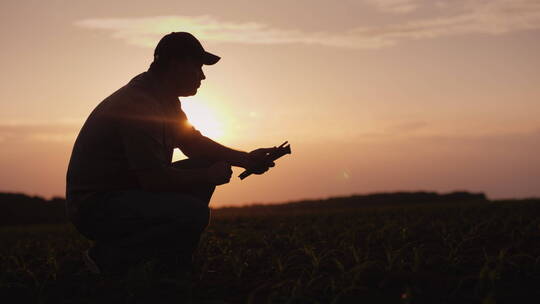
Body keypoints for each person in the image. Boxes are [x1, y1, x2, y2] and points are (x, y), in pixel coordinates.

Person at [65, 32, 275, 275]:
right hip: (96, 208)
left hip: (125, 194)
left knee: (203, 166)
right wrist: (208, 175)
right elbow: (154, 180)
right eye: (197, 67)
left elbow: (193, 144)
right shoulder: (139, 105)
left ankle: (174, 265)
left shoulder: (164, 100)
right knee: (194, 213)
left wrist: (246, 159)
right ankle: (106, 258)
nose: (203, 76)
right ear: (176, 65)